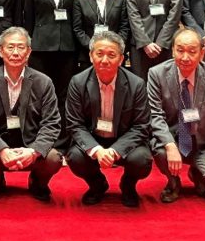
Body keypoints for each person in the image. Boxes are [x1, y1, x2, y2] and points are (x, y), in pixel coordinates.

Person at [0, 27, 63, 202]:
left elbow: (51, 123)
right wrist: (2, 149)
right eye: (10, 47)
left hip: (30, 143)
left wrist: (34, 151)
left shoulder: (43, 82)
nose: (15, 53)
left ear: (28, 52)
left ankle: (38, 182)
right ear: (0, 51)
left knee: (53, 159)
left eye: (21, 47)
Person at [147, 29, 205, 203]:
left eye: (192, 51)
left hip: (204, 142)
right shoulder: (156, 74)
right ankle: (173, 182)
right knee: (161, 149)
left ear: (202, 54)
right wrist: (170, 145)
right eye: (180, 50)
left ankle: (197, 172)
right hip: (175, 139)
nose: (185, 57)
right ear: (173, 51)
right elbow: (155, 114)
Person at [65, 31, 152, 207]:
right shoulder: (78, 82)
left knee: (142, 160)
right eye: (99, 54)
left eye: (111, 55)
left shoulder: (136, 84)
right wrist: (97, 150)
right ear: (91, 56)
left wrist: (115, 150)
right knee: (75, 157)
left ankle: (128, 185)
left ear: (121, 59)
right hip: (94, 138)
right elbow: (75, 124)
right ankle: (97, 184)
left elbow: (141, 126)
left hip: (123, 139)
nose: (105, 60)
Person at [23, 0, 78, 120]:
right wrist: (27, 50)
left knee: (64, 94)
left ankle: (62, 134)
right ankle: (42, 132)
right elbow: (28, 21)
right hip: (41, 49)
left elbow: (74, 18)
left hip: (66, 48)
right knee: (41, 93)